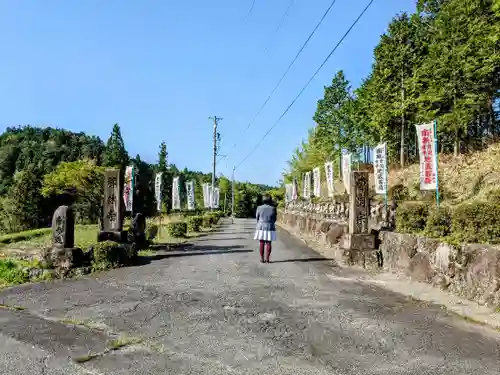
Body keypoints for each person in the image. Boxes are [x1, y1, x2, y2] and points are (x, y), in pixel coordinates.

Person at [254, 195, 277, 263]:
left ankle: (261, 258)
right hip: (270, 226)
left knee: (261, 242)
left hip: (261, 226)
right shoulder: (273, 208)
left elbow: (257, 217)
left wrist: (260, 222)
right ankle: (267, 259)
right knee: (269, 243)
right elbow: (274, 219)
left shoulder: (259, 208)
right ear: (270, 201)